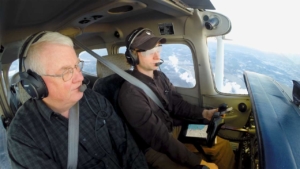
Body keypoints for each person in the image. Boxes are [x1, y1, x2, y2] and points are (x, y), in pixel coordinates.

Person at [7, 31, 148, 169]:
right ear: (35, 84)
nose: (80, 78)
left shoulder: (94, 100)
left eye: (77, 66)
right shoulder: (22, 135)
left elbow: (127, 147)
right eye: (66, 71)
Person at [118, 27, 235, 169]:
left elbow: (177, 104)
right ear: (134, 55)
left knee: (221, 145)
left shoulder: (160, 77)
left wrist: (204, 113)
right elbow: (160, 138)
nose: (157, 57)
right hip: (153, 147)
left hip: (172, 130)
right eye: (150, 52)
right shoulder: (131, 93)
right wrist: (198, 163)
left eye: (158, 50)